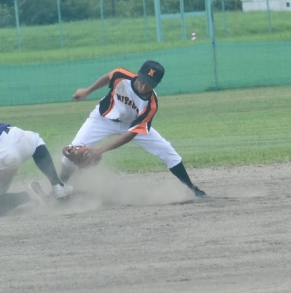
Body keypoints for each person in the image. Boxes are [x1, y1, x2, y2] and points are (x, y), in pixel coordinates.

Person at [60, 60, 208, 198]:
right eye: (142, 81)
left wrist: (100, 150)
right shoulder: (121, 75)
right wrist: (88, 91)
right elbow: (108, 77)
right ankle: (61, 187)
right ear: (138, 73)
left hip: (131, 126)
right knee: (71, 151)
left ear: (158, 83)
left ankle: (192, 189)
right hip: (102, 119)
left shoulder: (151, 104)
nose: (144, 87)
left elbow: (130, 134)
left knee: (167, 151)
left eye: (149, 84)